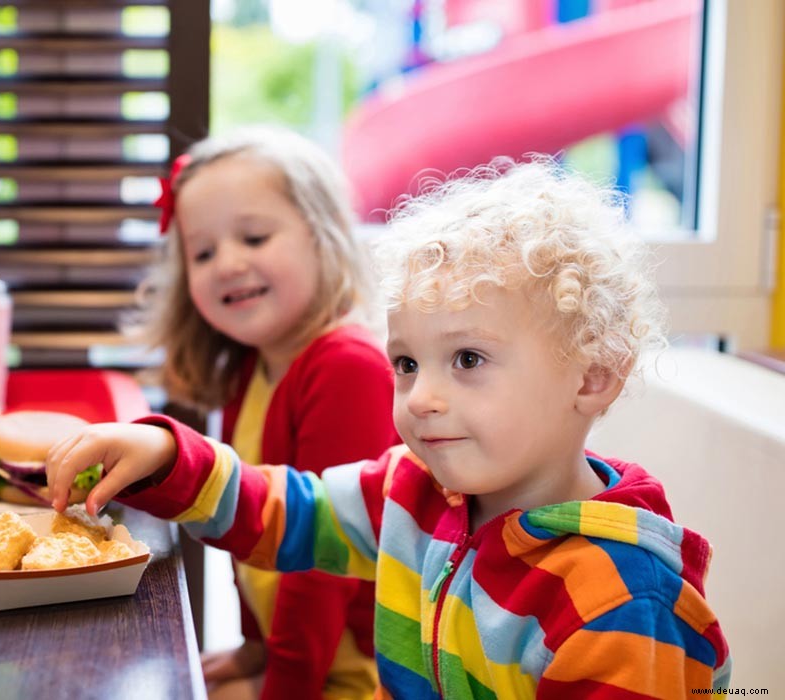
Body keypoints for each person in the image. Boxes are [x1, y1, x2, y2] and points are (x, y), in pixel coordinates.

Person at [51, 158, 731, 697]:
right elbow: (288, 512)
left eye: (468, 359)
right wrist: (169, 454)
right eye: (406, 362)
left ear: (591, 378)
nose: (421, 396)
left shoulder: (620, 605)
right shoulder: (414, 492)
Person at [127, 126, 399, 699]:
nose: (227, 263)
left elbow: (320, 566)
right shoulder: (250, 367)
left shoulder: (347, 368)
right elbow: (247, 529)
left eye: (253, 237)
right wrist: (257, 647)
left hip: (363, 676)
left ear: (321, 238)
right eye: (202, 251)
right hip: (302, 657)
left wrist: (284, 685)